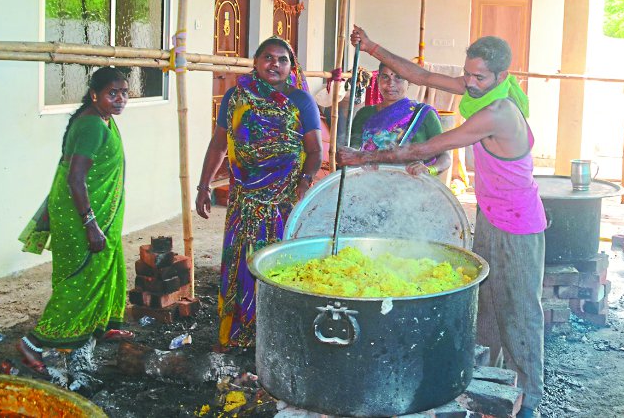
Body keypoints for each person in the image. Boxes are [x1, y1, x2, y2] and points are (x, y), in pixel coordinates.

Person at [338, 26, 546, 418]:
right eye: (466, 74)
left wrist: (365, 158)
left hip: (518, 224)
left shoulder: (498, 113)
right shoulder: (481, 90)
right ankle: (490, 380)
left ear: (501, 76)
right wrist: (372, 46)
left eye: (478, 77)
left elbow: (431, 147)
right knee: (485, 303)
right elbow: (422, 76)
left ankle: (529, 397)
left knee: (519, 310)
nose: (469, 82)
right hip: (491, 215)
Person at [195, 36, 323, 351]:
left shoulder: (301, 101)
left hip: (283, 201)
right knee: (240, 263)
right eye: (268, 57)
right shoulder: (236, 97)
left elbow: (315, 150)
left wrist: (304, 183)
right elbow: (218, 144)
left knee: (280, 266)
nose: (274, 64)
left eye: (282, 59)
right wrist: (203, 186)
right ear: (255, 62)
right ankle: (237, 334)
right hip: (243, 201)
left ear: (292, 67)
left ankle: (278, 337)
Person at [17, 67, 133, 375]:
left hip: (99, 213)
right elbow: (75, 178)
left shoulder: (104, 119)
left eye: (124, 93)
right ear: (94, 94)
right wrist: (90, 224)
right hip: (81, 215)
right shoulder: (92, 125)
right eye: (112, 93)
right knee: (82, 278)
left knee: (105, 268)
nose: (120, 99)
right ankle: (32, 343)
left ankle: (98, 324)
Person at [350, 62, 451, 176]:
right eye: (385, 77)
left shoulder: (424, 114)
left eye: (398, 77)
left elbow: (445, 157)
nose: (391, 84)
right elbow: (354, 152)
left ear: (409, 81)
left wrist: (430, 170)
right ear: (378, 80)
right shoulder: (364, 114)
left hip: (412, 183)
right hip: (370, 181)